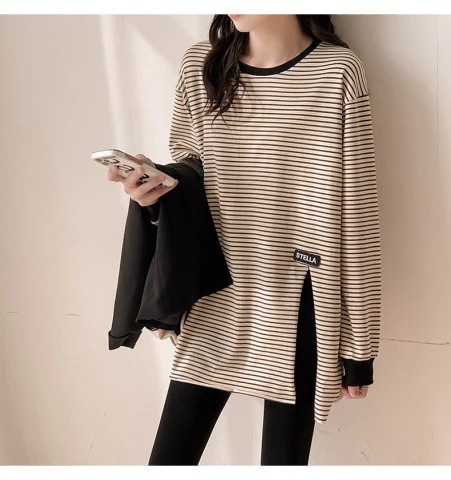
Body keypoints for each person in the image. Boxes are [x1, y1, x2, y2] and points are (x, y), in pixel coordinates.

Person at [107, 14, 381, 466]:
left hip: (299, 298)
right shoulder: (201, 66)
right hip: (218, 289)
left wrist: (358, 347)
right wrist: (154, 191)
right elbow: (193, 170)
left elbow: (357, 214)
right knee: (169, 460)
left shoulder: (337, 73)